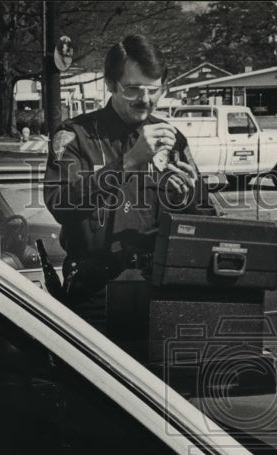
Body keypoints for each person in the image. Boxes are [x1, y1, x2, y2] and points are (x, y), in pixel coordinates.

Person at [43, 33, 214, 329]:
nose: (145, 100)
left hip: (159, 289)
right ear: (110, 84)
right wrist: (129, 161)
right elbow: (61, 204)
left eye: (154, 90)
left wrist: (187, 199)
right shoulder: (75, 135)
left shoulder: (171, 139)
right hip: (93, 293)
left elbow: (204, 219)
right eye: (133, 89)